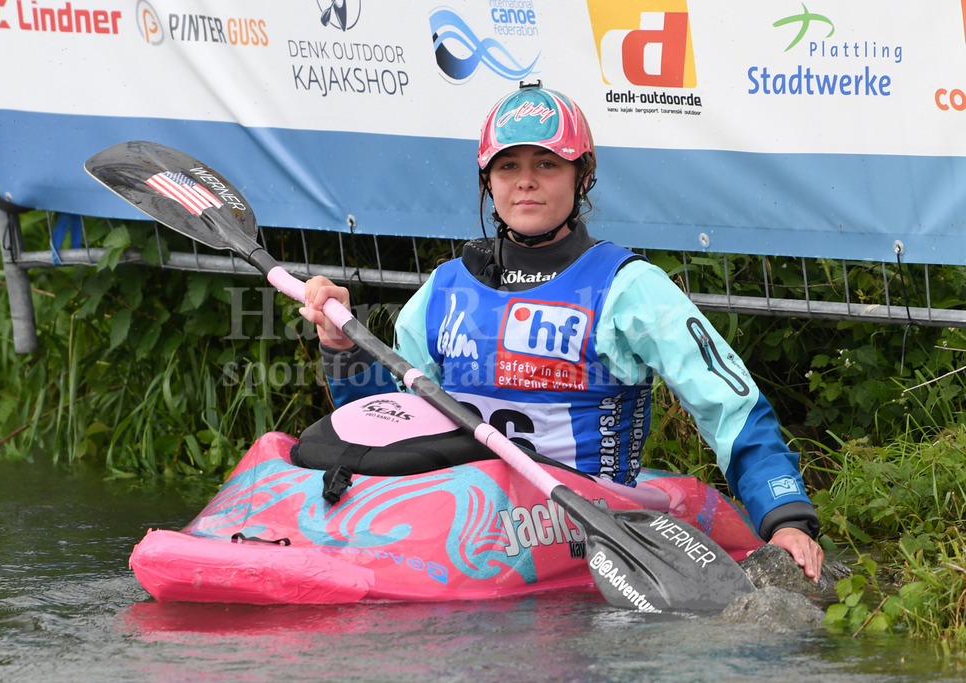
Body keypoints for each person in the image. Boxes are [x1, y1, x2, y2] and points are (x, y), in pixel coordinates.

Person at [300, 82, 824, 582]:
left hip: (579, 519)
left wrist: (786, 521)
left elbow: (729, 406)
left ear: (582, 176)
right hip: (456, 519)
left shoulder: (627, 287)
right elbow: (387, 421)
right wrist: (344, 346)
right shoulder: (444, 289)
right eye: (508, 167)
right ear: (489, 182)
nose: (525, 180)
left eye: (546, 164)